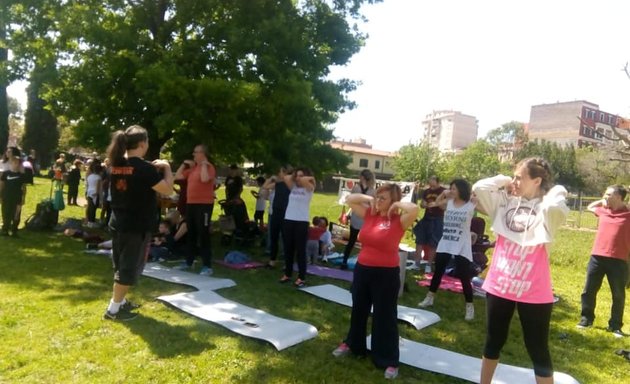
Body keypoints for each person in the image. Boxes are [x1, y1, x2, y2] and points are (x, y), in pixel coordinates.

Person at [472, 157, 568, 384]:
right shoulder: (504, 202)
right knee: (493, 341)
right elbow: (479, 187)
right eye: (513, 176)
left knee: (537, 348)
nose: (514, 181)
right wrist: (507, 179)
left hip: (534, 290)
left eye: (519, 177)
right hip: (500, 285)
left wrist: (552, 190)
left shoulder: (547, 211)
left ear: (536, 181)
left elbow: (556, 204)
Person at [332, 183, 418, 380]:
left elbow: (415, 209)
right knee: (359, 309)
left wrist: (396, 205)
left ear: (393, 201)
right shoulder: (371, 214)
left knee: (385, 316)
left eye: (382, 198)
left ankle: (388, 360)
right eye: (377, 197)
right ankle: (354, 345)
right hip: (363, 270)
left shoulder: (399, 220)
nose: (378, 201)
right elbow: (349, 200)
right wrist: (372, 199)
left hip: (386, 274)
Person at [103, 125, 174, 321]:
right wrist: (167, 168)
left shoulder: (114, 164)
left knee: (120, 265)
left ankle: (121, 302)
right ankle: (113, 310)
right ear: (142, 144)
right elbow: (168, 190)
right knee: (128, 268)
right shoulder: (145, 169)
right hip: (136, 226)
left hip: (117, 222)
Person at [418, 179, 477, 320]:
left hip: (461, 243)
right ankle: (430, 297)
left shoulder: (470, 205)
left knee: (463, 275)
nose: (451, 191)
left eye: (454, 189)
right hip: (446, 241)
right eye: (451, 188)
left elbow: (485, 206)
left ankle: (469, 306)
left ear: (462, 190)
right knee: (438, 271)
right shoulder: (448, 203)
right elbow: (435, 204)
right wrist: (443, 194)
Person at [577, 185, 630, 337]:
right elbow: (589, 206)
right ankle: (586, 319)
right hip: (597, 257)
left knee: (618, 294)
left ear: (619, 197)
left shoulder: (628, 214)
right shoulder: (602, 211)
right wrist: (603, 201)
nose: (605, 196)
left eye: (608, 194)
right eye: (605, 193)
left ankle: (615, 326)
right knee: (589, 290)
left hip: (619, 260)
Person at [174, 144, 216, 276]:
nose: (193, 155)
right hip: (191, 203)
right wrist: (184, 164)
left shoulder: (208, 167)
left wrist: (203, 164)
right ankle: (189, 261)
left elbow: (204, 179)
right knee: (191, 233)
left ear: (202, 153)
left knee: (203, 233)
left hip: (204, 204)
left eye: (195, 152)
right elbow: (177, 177)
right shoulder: (193, 169)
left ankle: (207, 266)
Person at [279, 167, 315, 287]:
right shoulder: (293, 187)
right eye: (297, 176)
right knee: (288, 249)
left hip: (301, 222)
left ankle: (301, 277)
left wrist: (304, 178)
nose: (299, 178)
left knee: (300, 251)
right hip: (289, 220)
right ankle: (288, 274)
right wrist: (295, 176)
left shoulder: (309, 189)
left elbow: (309, 180)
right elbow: (286, 177)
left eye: (301, 176)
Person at [341, 169, 376, 270]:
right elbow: (351, 202)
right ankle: (344, 261)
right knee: (352, 240)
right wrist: (348, 214)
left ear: (363, 177)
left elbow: (372, 205)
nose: (359, 178)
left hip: (366, 219)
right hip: (356, 217)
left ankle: (363, 263)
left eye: (360, 176)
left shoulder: (372, 191)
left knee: (364, 243)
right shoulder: (356, 188)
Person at [412, 176, 446, 273]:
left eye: (432, 181)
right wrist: (423, 204)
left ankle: (428, 265)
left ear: (437, 181)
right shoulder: (426, 191)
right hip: (426, 217)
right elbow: (422, 203)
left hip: (437, 219)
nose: (430, 183)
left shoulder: (443, 191)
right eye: (429, 181)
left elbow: (445, 205)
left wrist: (437, 204)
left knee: (433, 242)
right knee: (419, 240)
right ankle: (416, 263)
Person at [263, 166, 292, 267]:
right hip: (276, 212)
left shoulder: (290, 185)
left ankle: (286, 262)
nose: (279, 174)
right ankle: (272, 260)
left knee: (285, 238)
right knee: (274, 236)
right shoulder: (278, 184)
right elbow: (265, 187)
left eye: (280, 172)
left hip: (286, 213)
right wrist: (271, 179)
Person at [0, 156, 27, 237]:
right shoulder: (6, 173)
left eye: (17, 163)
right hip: (6, 197)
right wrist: (0, 196)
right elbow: (1, 185)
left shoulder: (21, 175)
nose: (15, 164)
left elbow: (24, 187)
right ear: (10, 164)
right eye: (13, 162)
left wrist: (23, 198)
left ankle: (14, 230)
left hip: (17, 197)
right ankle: (5, 230)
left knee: (16, 214)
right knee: (6, 213)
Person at [85, 160, 102, 227]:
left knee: (89, 207)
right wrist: (98, 194)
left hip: (89, 192)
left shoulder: (90, 176)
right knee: (93, 208)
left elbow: (88, 184)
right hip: (94, 193)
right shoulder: (98, 178)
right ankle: (92, 222)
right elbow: (98, 187)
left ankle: (89, 221)